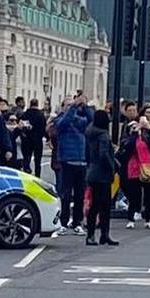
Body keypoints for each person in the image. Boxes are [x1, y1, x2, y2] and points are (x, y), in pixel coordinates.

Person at [53, 96, 92, 236]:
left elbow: (92, 121)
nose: (71, 107)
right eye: (67, 105)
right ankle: (63, 222)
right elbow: (63, 123)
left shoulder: (81, 121)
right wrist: (73, 108)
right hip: (67, 160)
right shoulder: (60, 120)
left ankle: (77, 222)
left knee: (80, 195)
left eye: (72, 105)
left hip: (81, 161)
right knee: (66, 194)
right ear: (63, 107)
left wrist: (85, 106)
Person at [118, 115, 150, 229]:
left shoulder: (147, 137)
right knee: (134, 196)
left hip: (148, 167)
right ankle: (131, 218)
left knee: (149, 195)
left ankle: (148, 219)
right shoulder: (129, 138)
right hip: (134, 168)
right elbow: (128, 148)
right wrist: (134, 133)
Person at [84, 110, 118, 246]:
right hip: (103, 174)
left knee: (95, 206)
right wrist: (112, 166)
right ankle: (104, 234)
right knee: (104, 206)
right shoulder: (103, 135)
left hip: (93, 170)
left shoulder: (90, 131)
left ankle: (91, 234)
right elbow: (104, 154)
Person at [21, 99, 47, 177]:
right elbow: (44, 128)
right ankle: (37, 175)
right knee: (38, 160)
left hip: (27, 139)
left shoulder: (25, 114)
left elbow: (22, 126)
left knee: (26, 158)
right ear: (37, 104)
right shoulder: (41, 115)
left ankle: (26, 172)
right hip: (38, 140)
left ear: (30, 104)